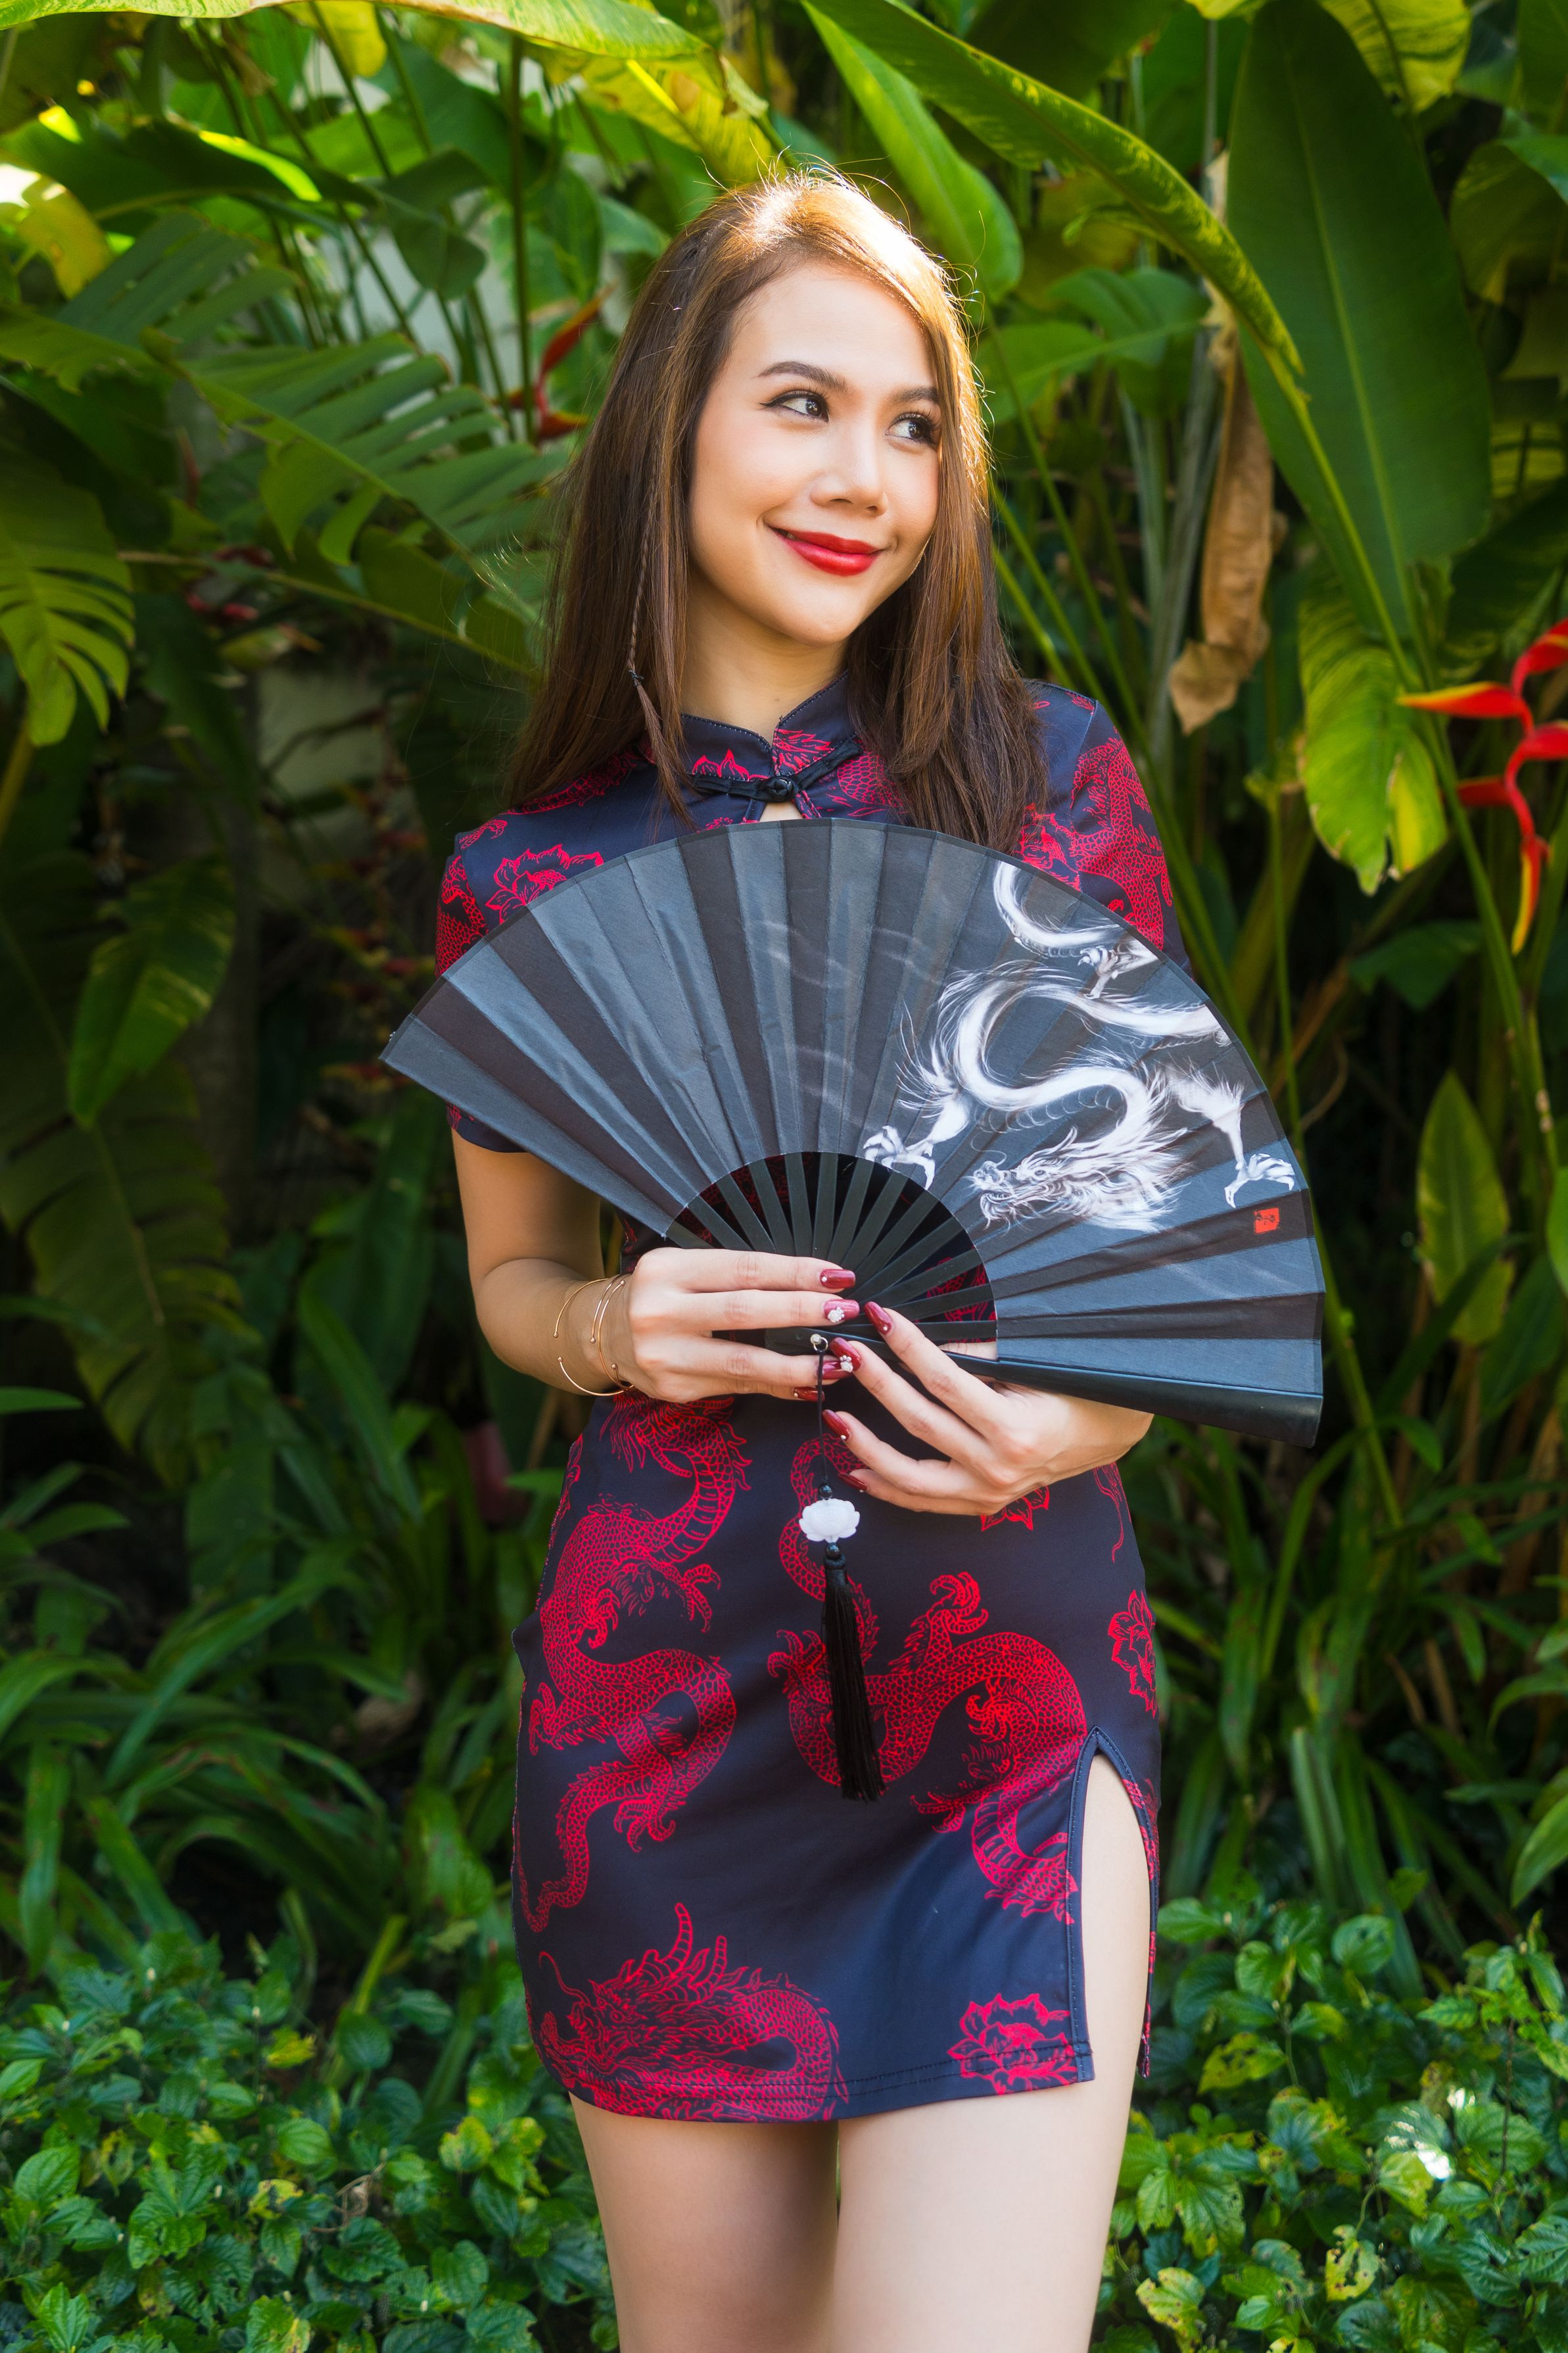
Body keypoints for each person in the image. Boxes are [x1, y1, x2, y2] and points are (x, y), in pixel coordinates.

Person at [439, 172, 1182, 2353]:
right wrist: (610, 1321)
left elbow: (1167, 1277)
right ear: (668, 424)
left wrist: (1066, 1419)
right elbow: (513, 1286)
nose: (866, 475)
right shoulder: (529, 873)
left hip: (1009, 1714)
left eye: (913, 424)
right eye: (802, 404)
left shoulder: (1049, 788)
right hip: (663, 1733)